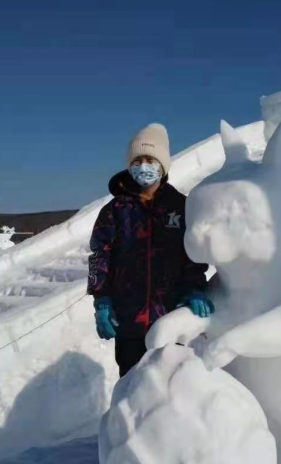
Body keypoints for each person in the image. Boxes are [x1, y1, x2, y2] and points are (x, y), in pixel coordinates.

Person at [88, 123, 214, 377]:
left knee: (171, 386)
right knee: (132, 384)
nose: (143, 166)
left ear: (162, 164)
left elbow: (192, 255)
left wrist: (195, 289)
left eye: (150, 159)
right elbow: (100, 254)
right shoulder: (115, 210)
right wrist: (102, 299)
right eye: (137, 160)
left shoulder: (180, 206)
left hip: (170, 316)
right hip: (128, 320)